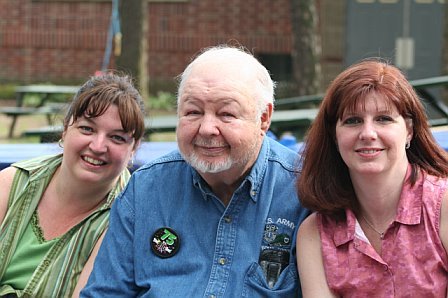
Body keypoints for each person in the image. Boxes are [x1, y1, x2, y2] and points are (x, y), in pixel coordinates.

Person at [81, 45, 309, 297]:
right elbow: (106, 292)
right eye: (193, 112)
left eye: (226, 113)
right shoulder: (145, 189)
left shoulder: (303, 191)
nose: (207, 128)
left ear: (263, 119)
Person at [296, 59, 448, 297]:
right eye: (352, 121)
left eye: (383, 119)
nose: (367, 133)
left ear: (409, 130)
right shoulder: (315, 234)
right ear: (335, 136)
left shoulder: (443, 208)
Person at [0, 72, 146, 297]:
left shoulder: (126, 218)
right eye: (87, 129)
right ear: (66, 129)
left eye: (117, 137)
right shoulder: (12, 183)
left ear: (133, 148)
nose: (98, 146)